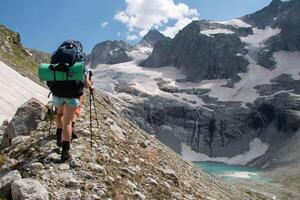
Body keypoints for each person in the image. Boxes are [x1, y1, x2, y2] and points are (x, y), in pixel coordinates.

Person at [49, 40, 93, 161]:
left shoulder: (56, 57)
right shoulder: (79, 60)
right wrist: (90, 85)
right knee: (67, 122)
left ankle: (58, 137)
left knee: (59, 116)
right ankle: (65, 152)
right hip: (72, 96)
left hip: (57, 94)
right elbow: (86, 84)